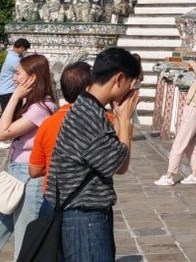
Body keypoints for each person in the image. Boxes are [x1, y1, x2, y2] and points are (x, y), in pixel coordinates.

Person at [44, 47, 140, 262]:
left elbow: (115, 156)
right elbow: (119, 164)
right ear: (119, 78)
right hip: (83, 216)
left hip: (86, 213)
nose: (132, 91)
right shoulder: (87, 116)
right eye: (132, 84)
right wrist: (124, 119)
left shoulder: (89, 108)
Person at [0, 53, 56, 260]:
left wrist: (14, 96)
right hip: (15, 172)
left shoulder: (43, 107)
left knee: (24, 240)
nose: (14, 78)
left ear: (32, 77)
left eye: (18, 73)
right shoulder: (30, 105)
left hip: (30, 176)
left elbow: (3, 132)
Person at [29, 62, 93, 194]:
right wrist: (125, 119)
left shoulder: (48, 123)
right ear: (89, 89)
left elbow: (34, 170)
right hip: (87, 199)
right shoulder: (104, 120)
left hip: (54, 195)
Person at [154, 56, 196, 187]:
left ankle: (169, 175)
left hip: (193, 111)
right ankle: (195, 174)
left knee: (178, 144)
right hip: (191, 110)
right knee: (191, 145)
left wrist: (193, 64)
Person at [0, 39, 31, 114]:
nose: (25, 52)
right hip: (9, 92)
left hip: (5, 91)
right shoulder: (14, 60)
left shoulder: (11, 56)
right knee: (11, 116)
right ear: (21, 48)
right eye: (25, 49)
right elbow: (27, 72)